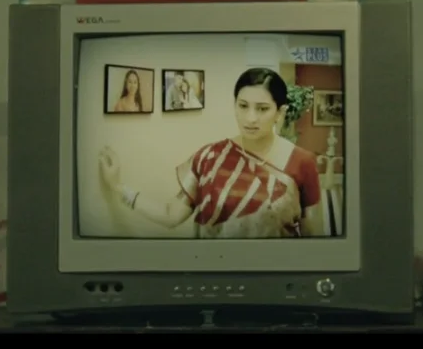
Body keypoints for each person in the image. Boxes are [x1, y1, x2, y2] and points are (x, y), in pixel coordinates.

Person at [99, 67, 324, 238]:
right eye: (243, 106)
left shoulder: (302, 162)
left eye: (262, 109)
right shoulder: (210, 157)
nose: (250, 118)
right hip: (212, 273)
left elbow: (314, 237)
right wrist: (118, 187)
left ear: (280, 112)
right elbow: (170, 215)